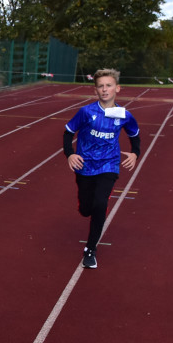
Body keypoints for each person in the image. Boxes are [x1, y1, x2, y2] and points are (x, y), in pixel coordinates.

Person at [63, 68, 141, 269]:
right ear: (95, 90)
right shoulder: (86, 112)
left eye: (108, 85)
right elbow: (67, 132)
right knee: (86, 209)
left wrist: (135, 153)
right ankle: (87, 206)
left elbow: (135, 136)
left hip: (109, 164)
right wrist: (70, 154)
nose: (105, 90)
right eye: (100, 86)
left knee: (100, 204)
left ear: (117, 88)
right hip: (85, 165)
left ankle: (90, 249)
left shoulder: (124, 115)